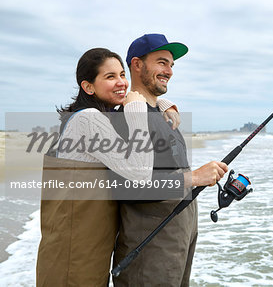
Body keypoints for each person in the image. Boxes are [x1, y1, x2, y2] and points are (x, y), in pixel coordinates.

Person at [36, 47, 226, 286]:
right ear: (88, 87)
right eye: (110, 77)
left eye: (122, 75)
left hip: (85, 244)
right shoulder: (89, 120)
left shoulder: (95, 116)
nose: (121, 83)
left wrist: (160, 103)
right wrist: (138, 111)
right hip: (74, 251)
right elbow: (139, 172)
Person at [112, 34, 227, 287]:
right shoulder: (129, 116)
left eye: (172, 65)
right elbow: (129, 187)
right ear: (137, 64)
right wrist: (195, 177)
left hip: (180, 236)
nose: (169, 71)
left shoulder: (163, 113)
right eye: (162, 62)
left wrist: (163, 104)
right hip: (149, 248)